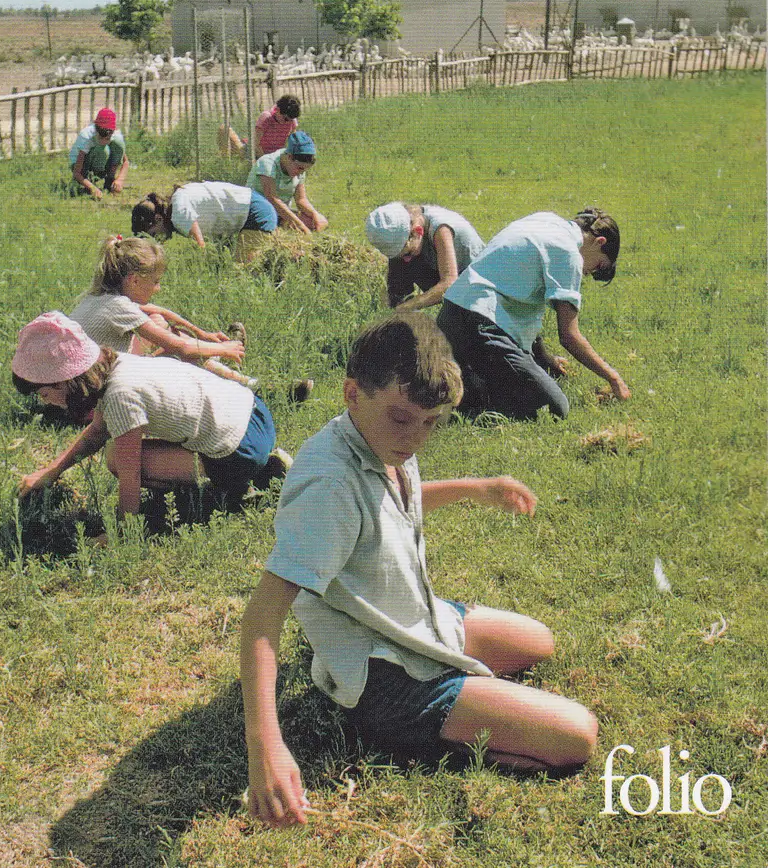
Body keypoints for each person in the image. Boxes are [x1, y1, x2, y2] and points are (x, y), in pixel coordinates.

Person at [240, 313, 598, 829]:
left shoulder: (380, 436)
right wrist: (266, 747)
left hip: (413, 616)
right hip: (383, 674)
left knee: (538, 642)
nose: (416, 438)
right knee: (577, 736)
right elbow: (260, 622)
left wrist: (477, 487)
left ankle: (459, 680)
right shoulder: (328, 488)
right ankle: (415, 732)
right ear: (352, 392)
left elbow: (390, 504)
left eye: (431, 423)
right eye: (404, 418)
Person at [14, 312, 291, 519]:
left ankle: (240, 485)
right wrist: (52, 471)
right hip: (255, 413)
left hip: (240, 449)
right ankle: (267, 466)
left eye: (44, 394)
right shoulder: (117, 364)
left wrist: (122, 530)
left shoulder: (120, 397)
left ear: (65, 382)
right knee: (117, 450)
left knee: (115, 458)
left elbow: (129, 473)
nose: (47, 403)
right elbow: (98, 431)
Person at [437, 207, 631, 421]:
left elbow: (521, 307)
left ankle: (467, 390)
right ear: (599, 242)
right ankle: (473, 401)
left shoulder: (545, 220)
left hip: (451, 316)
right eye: (598, 266)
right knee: (555, 408)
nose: (590, 272)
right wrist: (614, 379)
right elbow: (569, 336)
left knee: (507, 380)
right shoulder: (569, 254)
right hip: (480, 323)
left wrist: (544, 358)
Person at [69, 235, 257, 388]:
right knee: (174, 352)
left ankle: (223, 362)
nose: (158, 288)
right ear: (134, 280)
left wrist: (202, 334)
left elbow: (158, 311)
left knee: (158, 322)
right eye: (155, 281)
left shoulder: (100, 298)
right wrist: (224, 348)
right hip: (96, 390)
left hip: (86, 381)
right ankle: (245, 383)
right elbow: (180, 347)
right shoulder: (119, 307)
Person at [365, 201, 485, 310]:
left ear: (418, 232)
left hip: (473, 284)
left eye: (408, 253)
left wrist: (409, 306)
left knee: (449, 320)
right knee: (398, 264)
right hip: (438, 268)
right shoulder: (409, 225)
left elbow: (449, 284)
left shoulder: (441, 229)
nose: (406, 259)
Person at [131, 180, 278, 251]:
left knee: (242, 272)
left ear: (158, 219)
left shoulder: (179, 215)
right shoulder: (177, 204)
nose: (157, 240)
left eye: (154, 235)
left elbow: (202, 247)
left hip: (255, 214)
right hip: (253, 207)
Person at [246, 130, 328, 234]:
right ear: (289, 157)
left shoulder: (299, 168)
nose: (300, 173)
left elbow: (301, 199)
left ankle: (282, 226)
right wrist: (300, 225)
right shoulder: (267, 163)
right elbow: (272, 198)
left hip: (280, 213)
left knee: (316, 222)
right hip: (258, 212)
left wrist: (315, 214)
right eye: (299, 168)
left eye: (304, 170)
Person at [68, 107, 129, 198]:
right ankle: (89, 180)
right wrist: (92, 187)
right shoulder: (87, 137)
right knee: (103, 150)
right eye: (100, 137)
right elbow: (76, 172)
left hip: (100, 165)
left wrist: (120, 180)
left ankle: (110, 181)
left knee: (118, 144)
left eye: (107, 138)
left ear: (112, 133)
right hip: (80, 167)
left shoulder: (116, 137)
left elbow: (126, 162)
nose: (104, 141)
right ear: (96, 130)